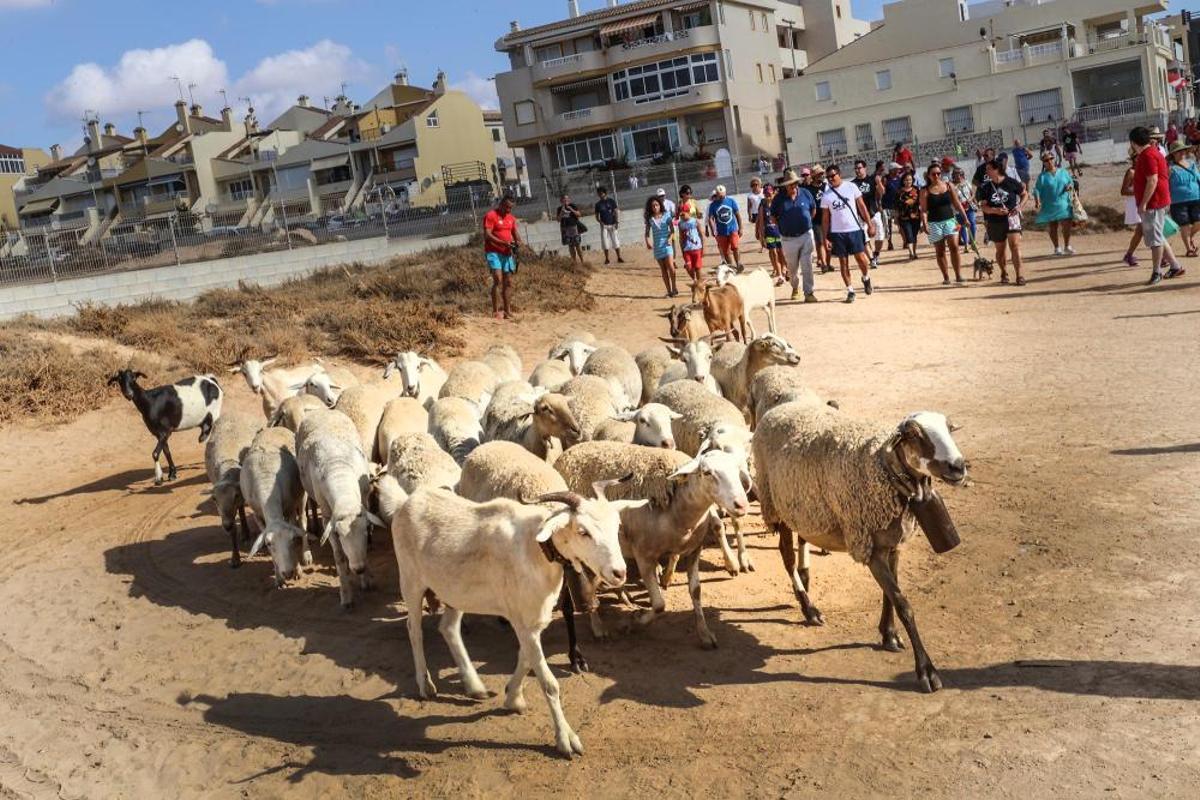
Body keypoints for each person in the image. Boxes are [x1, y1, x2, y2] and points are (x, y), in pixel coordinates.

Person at [1131, 126, 1184, 284]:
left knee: (1155, 239)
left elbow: (1152, 180)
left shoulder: (1147, 155)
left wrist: (1144, 203)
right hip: (1158, 200)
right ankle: (1175, 266)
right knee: (1158, 236)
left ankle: (1157, 272)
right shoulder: (1152, 152)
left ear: (1134, 142)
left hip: (1154, 202)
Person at [820, 164, 876, 303]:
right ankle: (850, 290)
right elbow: (825, 219)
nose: (830, 179)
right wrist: (825, 237)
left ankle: (866, 278)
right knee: (843, 262)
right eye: (828, 177)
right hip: (838, 233)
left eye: (833, 176)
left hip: (854, 230)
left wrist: (870, 224)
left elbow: (862, 207)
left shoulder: (851, 187)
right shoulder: (826, 195)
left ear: (839, 174)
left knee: (861, 259)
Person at [977, 158, 1027, 285]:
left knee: (1015, 246)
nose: (986, 171)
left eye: (989, 169)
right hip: (995, 221)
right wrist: (995, 210)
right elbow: (983, 207)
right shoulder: (986, 187)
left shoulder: (1011, 182)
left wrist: (1019, 206)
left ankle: (1020, 275)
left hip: (1012, 219)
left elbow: (1025, 194)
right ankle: (1004, 272)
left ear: (996, 169)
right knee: (1000, 250)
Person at [771, 169, 818, 302]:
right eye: (790, 184)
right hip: (788, 239)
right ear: (785, 185)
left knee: (807, 264)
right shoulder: (778, 199)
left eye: (795, 183)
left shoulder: (805, 193)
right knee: (792, 268)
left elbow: (813, 210)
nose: (793, 186)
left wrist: (806, 221)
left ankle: (809, 292)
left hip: (806, 235)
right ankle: (795, 287)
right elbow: (773, 217)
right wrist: (784, 226)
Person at [920, 163, 967, 284]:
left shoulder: (948, 185)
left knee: (954, 247)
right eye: (933, 174)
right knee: (940, 250)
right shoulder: (925, 191)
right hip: (934, 223)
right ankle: (946, 277)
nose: (936, 176)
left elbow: (957, 203)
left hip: (950, 220)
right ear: (928, 176)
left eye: (938, 173)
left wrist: (965, 218)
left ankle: (958, 275)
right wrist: (924, 223)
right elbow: (924, 210)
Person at [482, 193, 522, 320]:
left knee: (508, 282)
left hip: (507, 253)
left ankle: (507, 311)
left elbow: (515, 233)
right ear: (501, 204)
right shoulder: (491, 216)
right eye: (507, 207)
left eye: (511, 208)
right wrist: (502, 243)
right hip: (493, 252)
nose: (508, 210)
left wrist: (518, 242)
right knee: (498, 279)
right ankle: (495, 311)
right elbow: (487, 235)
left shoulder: (511, 218)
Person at [1167, 140, 1200, 257]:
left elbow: (1198, 178)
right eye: (1178, 151)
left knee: (1198, 222)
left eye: (1183, 150)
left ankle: (1190, 236)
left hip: (1196, 197)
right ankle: (1189, 249)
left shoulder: (1191, 163)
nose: (1182, 153)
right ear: (1173, 154)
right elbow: (1165, 185)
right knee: (1184, 224)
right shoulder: (1170, 168)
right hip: (1178, 201)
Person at [851, 160, 884, 269]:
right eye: (856, 168)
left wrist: (879, 183)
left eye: (859, 168)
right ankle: (871, 259)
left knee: (880, 236)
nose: (857, 170)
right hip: (860, 215)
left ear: (865, 168)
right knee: (863, 238)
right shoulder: (853, 184)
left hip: (874, 212)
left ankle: (876, 254)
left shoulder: (872, 179)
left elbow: (882, 192)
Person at [644, 195, 678, 297]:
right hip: (657, 247)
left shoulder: (667, 215)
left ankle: (674, 287)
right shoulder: (650, 219)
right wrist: (647, 242)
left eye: (657, 205)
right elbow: (647, 232)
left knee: (671, 267)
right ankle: (669, 291)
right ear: (650, 207)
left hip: (667, 245)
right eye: (653, 206)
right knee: (663, 270)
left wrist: (670, 238)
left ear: (660, 205)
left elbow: (672, 230)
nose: (655, 207)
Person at [707, 184, 744, 270]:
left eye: (722, 195)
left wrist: (741, 227)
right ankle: (732, 267)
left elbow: (737, 215)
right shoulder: (713, 205)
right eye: (719, 196)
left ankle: (738, 264)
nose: (721, 197)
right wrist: (713, 229)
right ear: (716, 194)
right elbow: (710, 218)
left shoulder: (731, 201)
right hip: (721, 232)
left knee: (735, 247)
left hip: (732, 229)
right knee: (726, 252)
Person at [757, 183, 787, 284]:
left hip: (779, 233)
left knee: (781, 252)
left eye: (769, 194)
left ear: (773, 193)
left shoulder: (778, 204)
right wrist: (762, 237)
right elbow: (761, 222)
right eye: (766, 194)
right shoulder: (763, 206)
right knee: (773, 253)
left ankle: (785, 268)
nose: (768, 196)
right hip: (769, 233)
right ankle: (780, 275)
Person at [1120, 150, 1143, 267]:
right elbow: (1123, 191)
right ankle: (1163, 256)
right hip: (1135, 203)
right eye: (1137, 158)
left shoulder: (1143, 171)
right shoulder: (1131, 172)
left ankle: (1129, 255)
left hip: (1142, 202)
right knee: (1146, 229)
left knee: (1141, 231)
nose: (1139, 159)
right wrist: (1139, 190)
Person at [805, 166, 830, 271]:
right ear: (814, 176)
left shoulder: (826, 186)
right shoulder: (808, 189)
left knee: (829, 241)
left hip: (828, 218)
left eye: (822, 174)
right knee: (820, 242)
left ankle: (827, 263)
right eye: (819, 174)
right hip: (816, 219)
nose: (822, 176)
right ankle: (823, 264)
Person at [593, 186, 624, 265]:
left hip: (613, 224)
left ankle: (619, 257)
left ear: (605, 193)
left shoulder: (611, 201)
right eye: (599, 194)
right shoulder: (598, 204)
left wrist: (617, 222)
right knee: (605, 243)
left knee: (615, 241)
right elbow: (597, 216)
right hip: (604, 226)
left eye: (601, 193)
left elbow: (616, 211)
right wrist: (600, 222)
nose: (600, 195)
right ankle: (607, 259)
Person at [896, 173, 922, 260]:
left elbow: (920, 202)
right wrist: (896, 217)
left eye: (910, 180)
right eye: (906, 180)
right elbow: (896, 205)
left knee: (914, 235)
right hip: (904, 217)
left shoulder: (916, 190)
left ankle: (914, 252)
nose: (908, 181)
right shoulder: (899, 192)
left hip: (916, 216)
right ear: (903, 181)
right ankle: (911, 253)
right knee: (908, 234)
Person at [677, 205, 705, 283]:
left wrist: (703, 248)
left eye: (683, 214)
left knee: (697, 268)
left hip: (697, 248)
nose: (682, 217)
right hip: (687, 249)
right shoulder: (680, 224)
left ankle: (700, 284)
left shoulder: (695, 221)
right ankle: (695, 281)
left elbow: (701, 235)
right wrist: (682, 250)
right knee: (688, 267)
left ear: (688, 212)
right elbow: (681, 238)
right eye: (680, 215)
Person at [951, 167, 977, 250]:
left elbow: (973, 194)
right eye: (956, 174)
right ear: (953, 175)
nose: (958, 176)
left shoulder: (966, 182)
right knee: (962, 226)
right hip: (958, 209)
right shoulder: (951, 186)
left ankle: (973, 241)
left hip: (969, 207)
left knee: (972, 223)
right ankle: (966, 244)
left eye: (960, 174)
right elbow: (951, 198)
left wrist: (970, 199)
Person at [556, 194, 585, 266]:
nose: (566, 201)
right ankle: (574, 262)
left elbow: (579, 214)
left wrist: (571, 209)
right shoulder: (559, 209)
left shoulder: (572, 206)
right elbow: (558, 220)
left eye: (567, 199)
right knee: (570, 246)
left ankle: (582, 261)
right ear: (561, 201)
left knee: (577, 245)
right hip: (565, 229)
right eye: (564, 200)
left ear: (569, 200)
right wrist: (561, 212)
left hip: (574, 228)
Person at [881, 161, 902, 250]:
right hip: (887, 206)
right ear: (892, 170)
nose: (899, 171)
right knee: (888, 226)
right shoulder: (885, 179)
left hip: (897, 206)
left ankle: (905, 241)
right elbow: (881, 192)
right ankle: (890, 243)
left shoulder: (899, 179)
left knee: (901, 224)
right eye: (897, 169)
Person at [746, 177, 765, 249]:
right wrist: (749, 215)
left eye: (756, 184)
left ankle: (766, 241)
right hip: (756, 214)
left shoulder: (763, 191)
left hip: (764, 212)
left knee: (765, 228)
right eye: (753, 185)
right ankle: (762, 245)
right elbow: (749, 206)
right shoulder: (750, 195)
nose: (755, 186)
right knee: (760, 229)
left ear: (759, 184)